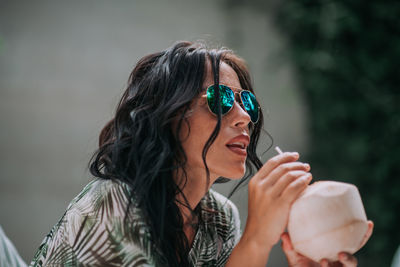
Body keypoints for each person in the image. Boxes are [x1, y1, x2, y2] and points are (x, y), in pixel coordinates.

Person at [29, 41, 373, 267]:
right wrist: (255, 240)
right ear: (169, 115)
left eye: (247, 103)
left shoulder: (219, 218)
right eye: (221, 99)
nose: (244, 118)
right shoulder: (112, 205)